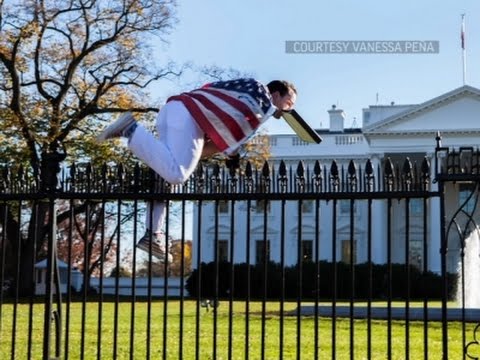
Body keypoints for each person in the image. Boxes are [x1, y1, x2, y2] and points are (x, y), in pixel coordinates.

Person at [97, 78, 297, 262]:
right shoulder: (260, 99)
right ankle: (131, 129)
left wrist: (229, 152)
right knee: (177, 174)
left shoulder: (240, 94)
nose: (288, 110)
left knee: (166, 173)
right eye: (289, 103)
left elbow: (209, 147)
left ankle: (153, 233)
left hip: (172, 109)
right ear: (277, 95)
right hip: (188, 117)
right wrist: (234, 152)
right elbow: (237, 133)